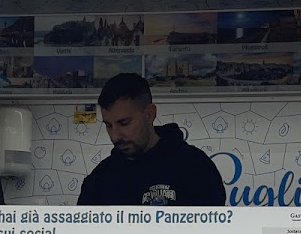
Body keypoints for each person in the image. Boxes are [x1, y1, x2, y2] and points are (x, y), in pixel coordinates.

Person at [77, 74, 226, 206]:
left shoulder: (195, 168)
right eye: (109, 125)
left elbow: (212, 226)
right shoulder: (99, 179)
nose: (115, 136)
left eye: (124, 123)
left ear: (150, 114)